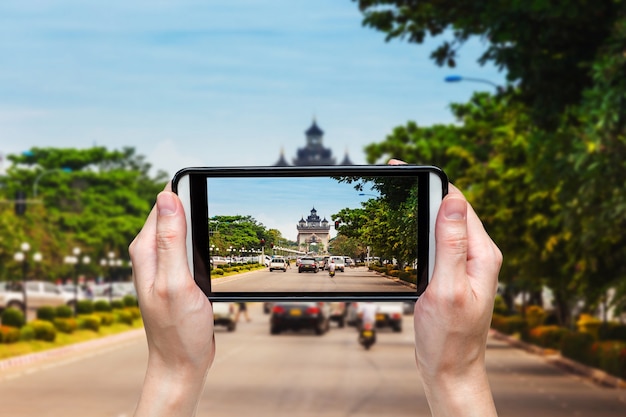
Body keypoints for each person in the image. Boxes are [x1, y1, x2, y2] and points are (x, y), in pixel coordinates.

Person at [129, 171, 502, 416]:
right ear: (310, 231)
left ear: (315, 232)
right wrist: (456, 376)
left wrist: (174, 371)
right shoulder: (311, 237)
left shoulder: (317, 239)